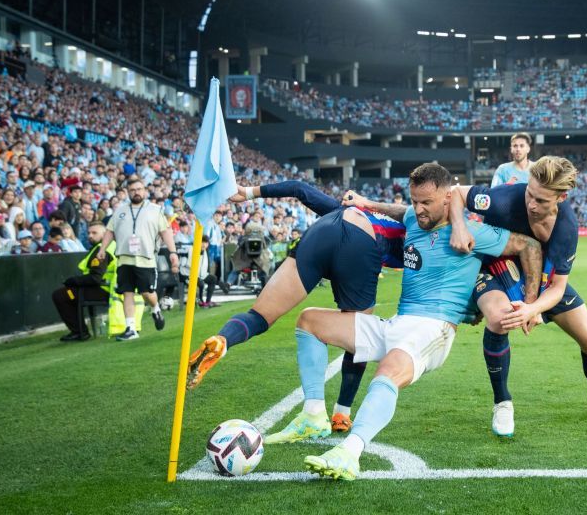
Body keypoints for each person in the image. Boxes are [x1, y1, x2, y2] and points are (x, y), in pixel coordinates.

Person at [272, 163, 542, 481]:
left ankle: (350, 452)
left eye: (426, 202)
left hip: (434, 329)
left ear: (448, 199)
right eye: (415, 200)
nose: (419, 209)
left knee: (387, 371)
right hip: (397, 324)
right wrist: (368, 203)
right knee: (310, 321)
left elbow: (530, 245)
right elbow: (402, 212)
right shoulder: (416, 215)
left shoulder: (474, 233)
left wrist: (531, 302)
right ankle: (314, 414)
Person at [186, 179, 407, 434]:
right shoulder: (414, 231)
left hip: (322, 233)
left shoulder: (352, 207)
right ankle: (341, 414)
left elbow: (298, 188)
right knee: (360, 335)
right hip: (363, 247)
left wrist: (247, 193)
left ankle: (222, 340)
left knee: (259, 316)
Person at [449, 155, 587, 437]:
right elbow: (455, 193)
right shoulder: (504, 199)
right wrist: (459, 226)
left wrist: (533, 308)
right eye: (530, 194)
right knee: (501, 319)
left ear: (561, 198)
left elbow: (558, 288)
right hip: (494, 266)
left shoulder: (567, 228)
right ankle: (502, 402)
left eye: (541, 201)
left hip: (542, 281)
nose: (531, 204)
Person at [97, 178, 176, 340]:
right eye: (133, 190)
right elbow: (110, 231)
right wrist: (102, 249)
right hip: (124, 258)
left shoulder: (155, 210)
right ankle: (130, 328)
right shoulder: (120, 210)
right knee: (127, 292)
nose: (136, 192)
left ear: (144, 190)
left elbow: (165, 232)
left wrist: (173, 252)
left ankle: (155, 308)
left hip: (145, 258)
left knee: (147, 292)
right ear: (128, 192)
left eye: (139, 189)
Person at [50, 222, 116, 341]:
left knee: (60, 295)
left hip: (103, 290)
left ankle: (79, 332)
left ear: (105, 234)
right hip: (109, 288)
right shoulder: (111, 245)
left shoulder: (102, 250)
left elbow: (95, 278)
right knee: (67, 293)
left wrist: (73, 281)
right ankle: (80, 330)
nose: (90, 235)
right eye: (89, 233)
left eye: (94, 233)